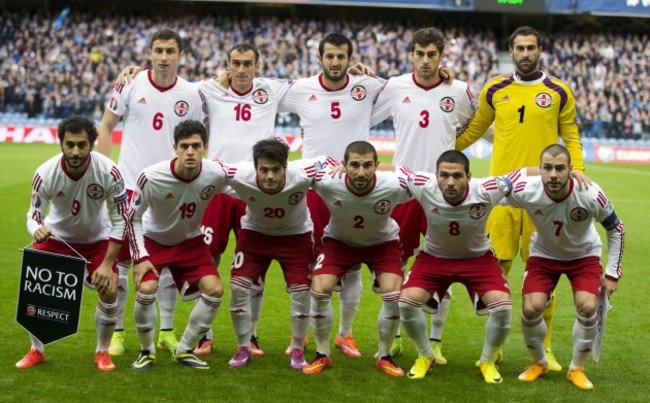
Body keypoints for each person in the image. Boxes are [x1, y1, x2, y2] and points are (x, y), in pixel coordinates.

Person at [455, 26, 585, 370]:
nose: (525, 53)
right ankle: (494, 349)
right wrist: (442, 147)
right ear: (510, 51)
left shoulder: (558, 91)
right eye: (519, 48)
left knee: (544, 271)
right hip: (502, 193)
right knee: (497, 269)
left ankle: (543, 352)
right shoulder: (495, 88)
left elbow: (570, 132)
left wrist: (579, 168)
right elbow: (474, 129)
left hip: (545, 195)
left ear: (540, 49)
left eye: (531, 47)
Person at [97, 29, 208, 356]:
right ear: (149, 52)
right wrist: (107, 174)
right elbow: (106, 125)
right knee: (122, 262)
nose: (163, 57)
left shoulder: (192, 93)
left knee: (166, 261)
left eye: (170, 51)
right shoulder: (129, 83)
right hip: (128, 186)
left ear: (180, 54)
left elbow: (201, 139)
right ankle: (117, 332)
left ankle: (167, 331)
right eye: (158, 50)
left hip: (171, 189)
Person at [370, 26, 477, 362]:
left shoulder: (459, 90)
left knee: (441, 268)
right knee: (396, 267)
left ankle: (436, 342)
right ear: (411, 54)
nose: (427, 60)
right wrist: (363, 78)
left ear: (442, 56)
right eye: (421, 54)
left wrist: (455, 145)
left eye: (433, 54)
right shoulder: (395, 87)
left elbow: (481, 124)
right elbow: (362, 114)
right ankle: (398, 336)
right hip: (402, 190)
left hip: (441, 194)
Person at [279, 33, 388, 358]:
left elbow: (402, 91)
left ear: (350, 58)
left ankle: (345, 333)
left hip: (355, 189)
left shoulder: (365, 87)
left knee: (352, 263)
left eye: (342, 56)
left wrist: (372, 75)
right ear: (320, 58)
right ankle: (304, 332)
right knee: (311, 264)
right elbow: (263, 93)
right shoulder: (301, 89)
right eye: (330, 56)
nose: (336, 62)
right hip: (314, 191)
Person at [507, 144, 624, 390]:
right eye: (547, 168)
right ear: (539, 169)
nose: (553, 175)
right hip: (544, 254)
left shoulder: (589, 192)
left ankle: (577, 368)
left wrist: (613, 274)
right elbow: (498, 184)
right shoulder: (529, 189)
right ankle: (538, 362)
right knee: (531, 309)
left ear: (571, 170)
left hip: (583, 256)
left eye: (560, 169)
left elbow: (617, 229)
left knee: (588, 305)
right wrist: (530, 171)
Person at [17, 115, 128, 371]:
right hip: (57, 239)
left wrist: (108, 263)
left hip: (97, 239)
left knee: (110, 287)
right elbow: (33, 214)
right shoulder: (45, 173)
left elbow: (120, 220)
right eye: (70, 145)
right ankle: (37, 349)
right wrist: (37, 229)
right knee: (33, 289)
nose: (75, 151)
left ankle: (102, 351)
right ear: (61, 144)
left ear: (92, 144)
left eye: (81, 144)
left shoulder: (109, 171)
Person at [398, 150, 516, 383]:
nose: (450, 182)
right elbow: (391, 172)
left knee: (503, 308)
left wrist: (571, 172)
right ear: (436, 175)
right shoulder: (423, 185)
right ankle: (425, 355)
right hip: (434, 258)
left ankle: (487, 361)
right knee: (406, 303)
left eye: (457, 176)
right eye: (444, 175)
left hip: (478, 259)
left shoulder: (486, 189)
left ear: (468, 177)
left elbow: (520, 175)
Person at [223, 138, 338, 369]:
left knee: (302, 293)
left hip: (296, 237)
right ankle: (244, 346)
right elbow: (212, 170)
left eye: (276, 170)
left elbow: (329, 160)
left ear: (286, 166)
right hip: (255, 234)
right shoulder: (239, 174)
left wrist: (341, 166)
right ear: (254, 167)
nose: (269, 176)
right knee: (238, 287)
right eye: (263, 170)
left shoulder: (303, 172)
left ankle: (297, 349)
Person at [303, 141, 410, 377]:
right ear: (344, 165)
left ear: (377, 166)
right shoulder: (327, 181)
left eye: (367, 166)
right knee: (320, 290)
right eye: (354, 165)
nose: (360, 172)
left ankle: (384, 356)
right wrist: (328, 162)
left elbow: (431, 182)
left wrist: (394, 169)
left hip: (382, 244)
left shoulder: (393, 184)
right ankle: (322, 354)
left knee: (393, 294)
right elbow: (297, 171)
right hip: (339, 242)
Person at [127, 120, 227, 370]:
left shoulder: (215, 172)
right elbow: (133, 218)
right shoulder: (151, 176)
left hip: (190, 241)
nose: (190, 152)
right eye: (185, 146)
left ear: (205, 147)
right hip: (154, 240)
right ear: (175, 148)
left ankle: (184, 349)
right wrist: (140, 257)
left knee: (214, 290)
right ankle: (146, 351)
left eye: (196, 146)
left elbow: (250, 175)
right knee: (147, 288)